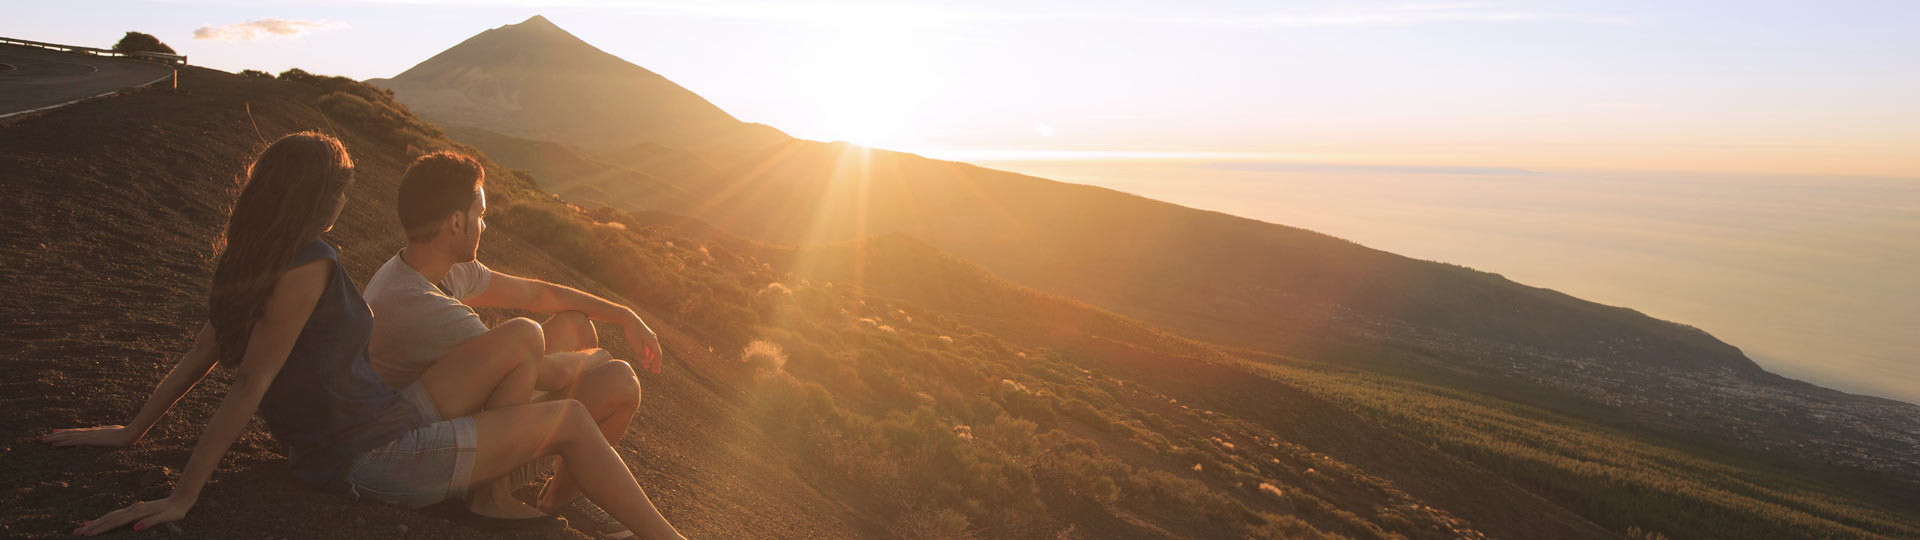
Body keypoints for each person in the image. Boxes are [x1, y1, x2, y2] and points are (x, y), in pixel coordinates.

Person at [42, 132, 686, 540]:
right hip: (373, 457)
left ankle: (499, 495)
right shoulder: (311, 264)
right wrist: (184, 495)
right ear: (320, 199)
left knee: (520, 331)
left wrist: (133, 430)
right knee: (572, 417)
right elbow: (249, 379)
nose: (348, 201)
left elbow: (200, 355)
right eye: (342, 190)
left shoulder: (256, 259)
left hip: (379, 417)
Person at [362, 151, 664, 539]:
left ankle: (558, 498)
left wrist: (623, 314)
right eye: (481, 215)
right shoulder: (417, 304)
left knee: (582, 334)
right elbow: (544, 371)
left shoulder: (443, 268)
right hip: (425, 447)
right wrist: (598, 357)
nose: (485, 226)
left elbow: (538, 294)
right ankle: (491, 493)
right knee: (595, 366)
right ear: (456, 222)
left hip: (460, 414)